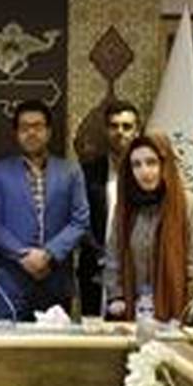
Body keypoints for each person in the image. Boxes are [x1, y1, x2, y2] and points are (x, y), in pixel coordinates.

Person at [0, 99, 90, 320]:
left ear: (49, 131)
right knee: (5, 342)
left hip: (56, 279)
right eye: (24, 127)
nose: (31, 133)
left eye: (38, 126)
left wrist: (49, 253)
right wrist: (24, 255)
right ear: (16, 133)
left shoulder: (70, 171)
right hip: (11, 281)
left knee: (53, 342)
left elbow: (80, 220)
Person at [103, 133, 193, 322]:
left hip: (178, 313)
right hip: (132, 312)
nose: (144, 171)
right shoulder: (126, 208)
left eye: (151, 162)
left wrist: (183, 309)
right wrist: (116, 296)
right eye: (136, 165)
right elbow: (113, 257)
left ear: (165, 164)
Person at [77, 100, 141, 316]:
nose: (120, 132)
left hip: (138, 269)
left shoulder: (147, 173)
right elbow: (79, 220)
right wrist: (102, 255)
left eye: (127, 126)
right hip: (96, 267)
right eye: (114, 126)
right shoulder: (87, 172)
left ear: (137, 131)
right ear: (105, 130)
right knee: (95, 329)